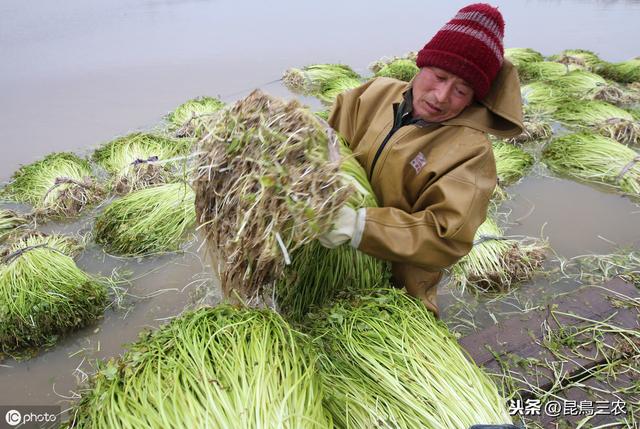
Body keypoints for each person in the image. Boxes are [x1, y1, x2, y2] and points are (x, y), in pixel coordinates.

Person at [318, 3, 524, 316]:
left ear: (475, 98)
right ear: (422, 65)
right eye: (439, 76)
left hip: (397, 291)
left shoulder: (471, 151)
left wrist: (358, 226)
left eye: (461, 90)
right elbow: (327, 143)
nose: (441, 96)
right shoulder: (373, 94)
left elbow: (445, 238)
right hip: (325, 260)